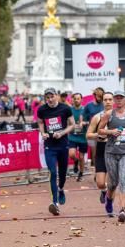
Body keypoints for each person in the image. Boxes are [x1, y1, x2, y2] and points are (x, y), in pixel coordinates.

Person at [97, 91, 125, 222]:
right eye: (116, 99)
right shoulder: (108, 114)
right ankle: (109, 199)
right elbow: (99, 130)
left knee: (123, 179)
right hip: (111, 152)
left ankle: (122, 210)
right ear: (114, 100)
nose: (119, 101)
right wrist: (111, 131)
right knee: (113, 183)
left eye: (121, 98)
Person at [37, 88, 75, 216]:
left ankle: (61, 189)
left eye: (52, 96)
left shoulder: (65, 108)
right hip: (50, 146)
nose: (50, 99)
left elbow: (72, 124)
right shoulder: (42, 110)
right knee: (53, 172)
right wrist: (43, 133)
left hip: (63, 145)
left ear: (56, 96)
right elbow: (41, 123)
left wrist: (62, 133)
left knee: (63, 173)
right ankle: (55, 203)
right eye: (47, 97)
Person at [86, 93, 113, 205]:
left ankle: (110, 204)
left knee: (112, 182)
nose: (107, 102)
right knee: (100, 183)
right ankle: (104, 191)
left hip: (115, 150)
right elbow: (88, 135)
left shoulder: (120, 116)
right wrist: (98, 135)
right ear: (102, 102)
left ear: (113, 101)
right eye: (105, 100)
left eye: (110, 99)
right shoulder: (97, 117)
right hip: (101, 149)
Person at [67, 93, 88, 182]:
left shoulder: (85, 110)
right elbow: (67, 122)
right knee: (71, 154)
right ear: (73, 100)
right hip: (72, 136)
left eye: (78, 98)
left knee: (82, 157)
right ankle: (75, 161)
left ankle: (81, 173)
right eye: (75, 98)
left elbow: (89, 122)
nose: (76, 100)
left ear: (81, 100)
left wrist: (84, 123)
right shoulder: (70, 110)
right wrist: (69, 128)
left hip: (83, 137)